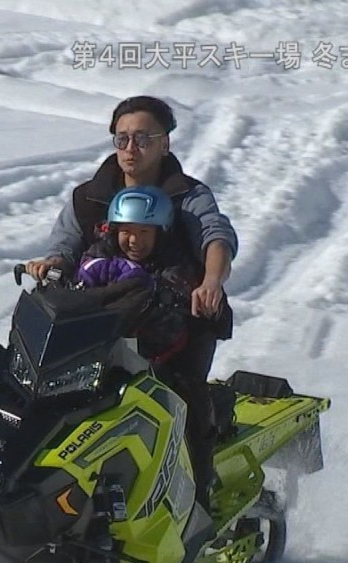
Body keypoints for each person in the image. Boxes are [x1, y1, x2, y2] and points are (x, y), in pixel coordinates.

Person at [27, 96, 237, 514]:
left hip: (176, 321)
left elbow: (216, 238)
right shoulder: (89, 197)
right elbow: (65, 245)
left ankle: (199, 491)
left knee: (181, 391)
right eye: (122, 138)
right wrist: (51, 263)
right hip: (99, 318)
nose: (130, 148)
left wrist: (210, 282)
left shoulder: (187, 197)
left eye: (143, 138)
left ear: (165, 144)